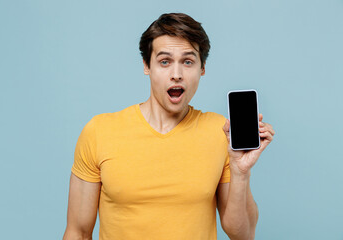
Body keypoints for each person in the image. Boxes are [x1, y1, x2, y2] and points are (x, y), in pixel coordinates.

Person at [63, 13, 275, 240]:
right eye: (165, 61)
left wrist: (240, 172)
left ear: (202, 68)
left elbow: (242, 234)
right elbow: (78, 232)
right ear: (147, 65)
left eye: (188, 61)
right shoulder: (99, 132)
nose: (176, 75)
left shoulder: (221, 132)